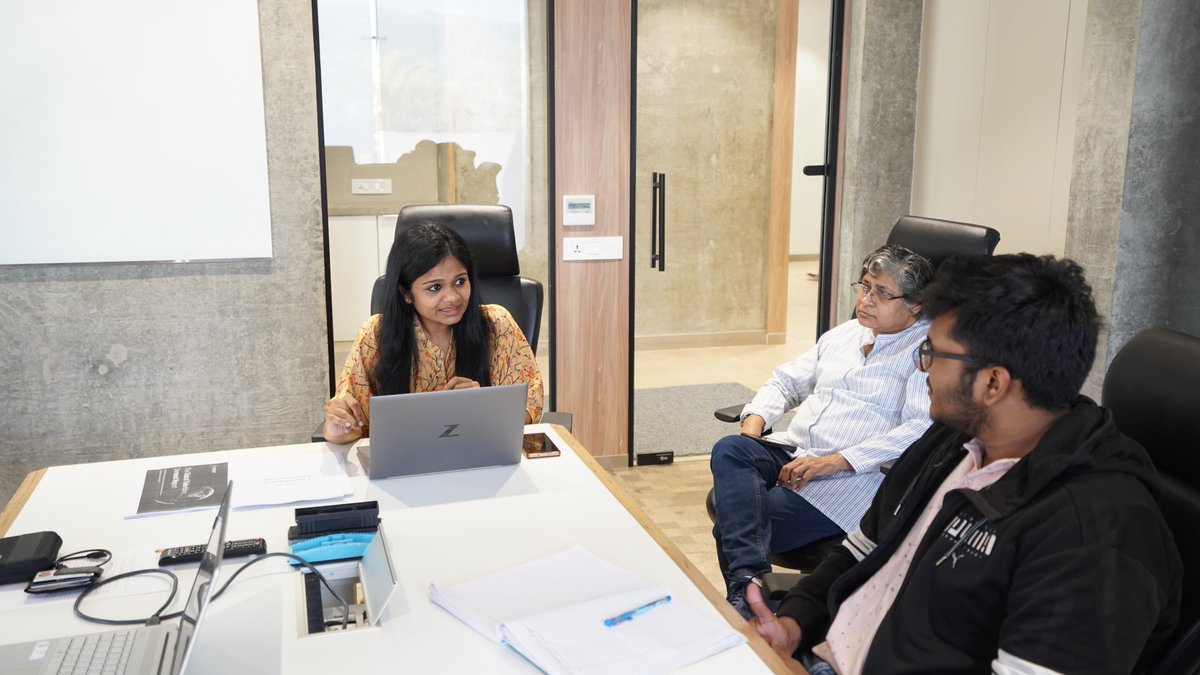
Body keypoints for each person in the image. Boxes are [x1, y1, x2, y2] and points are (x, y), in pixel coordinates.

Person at [746, 254, 1183, 674]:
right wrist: (793, 623)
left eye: (933, 354)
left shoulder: (1093, 531)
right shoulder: (949, 440)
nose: (924, 370)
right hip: (820, 653)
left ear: (993, 382)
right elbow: (861, 551)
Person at [710, 245, 935, 618]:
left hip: (847, 479)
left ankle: (749, 593)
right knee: (732, 449)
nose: (866, 300)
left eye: (882, 293)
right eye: (864, 287)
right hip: (795, 452)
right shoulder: (847, 333)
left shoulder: (925, 351)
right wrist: (755, 422)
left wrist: (836, 461)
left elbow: (921, 428)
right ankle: (755, 594)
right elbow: (786, 381)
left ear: (916, 305)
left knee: (735, 522)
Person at [323, 222, 543, 443]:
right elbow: (352, 426)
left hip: (482, 453)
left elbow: (529, 410)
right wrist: (337, 428)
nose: (453, 297)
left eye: (460, 281)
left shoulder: (497, 324)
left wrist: (482, 407)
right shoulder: (376, 334)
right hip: (404, 460)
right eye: (435, 287)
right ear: (406, 293)